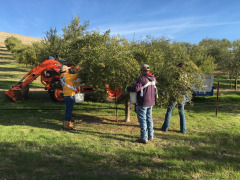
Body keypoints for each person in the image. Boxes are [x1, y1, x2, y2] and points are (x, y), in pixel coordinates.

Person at [127, 64, 157, 144]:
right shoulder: (153, 78)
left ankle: (144, 138)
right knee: (149, 119)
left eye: (141, 71)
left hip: (143, 102)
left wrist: (128, 88)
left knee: (143, 120)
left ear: (143, 71)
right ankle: (151, 136)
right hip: (151, 102)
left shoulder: (142, 78)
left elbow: (136, 89)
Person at [161, 62, 187, 134]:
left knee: (169, 111)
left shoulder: (176, 75)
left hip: (175, 94)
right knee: (181, 112)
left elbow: (171, 84)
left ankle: (165, 128)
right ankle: (183, 130)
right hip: (182, 94)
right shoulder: (185, 75)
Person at [60, 65, 79, 130]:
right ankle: (67, 125)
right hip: (70, 95)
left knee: (68, 110)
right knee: (69, 110)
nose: (68, 70)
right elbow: (77, 75)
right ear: (66, 70)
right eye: (68, 69)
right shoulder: (68, 76)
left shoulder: (62, 76)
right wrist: (79, 69)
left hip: (66, 95)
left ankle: (68, 123)